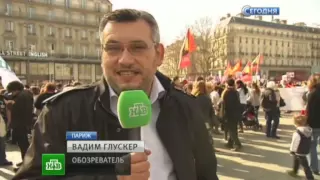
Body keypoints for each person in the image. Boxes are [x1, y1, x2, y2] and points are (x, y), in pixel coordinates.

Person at [13, 9, 218, 180]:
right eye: (113, 48)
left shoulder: (186, 107)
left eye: (137, 48)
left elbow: (206, 174)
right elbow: (41, 173)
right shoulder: (65, 112)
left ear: (159, 54)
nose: (125, 60)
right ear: (101, 56)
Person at [6, 81, 34, 172]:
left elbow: (17, 110)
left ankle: (26, 164)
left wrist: (9, 104)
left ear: (15, 89)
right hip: (23, 123)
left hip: (20, 123)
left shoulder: (21, 97)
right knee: (23, 143)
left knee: (23, 144)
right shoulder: (25, 95)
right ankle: (25, 162)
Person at [287, 115, 314, 180]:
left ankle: (310, 177)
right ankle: (294, 171)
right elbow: (311, 139)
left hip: (299, 151)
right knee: (296, 160)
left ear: (296, 124)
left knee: (305, 165)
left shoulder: (297, 133)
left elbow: (295, 143)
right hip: (305, 149)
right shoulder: (309, 130)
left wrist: (292, 150)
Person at [221, 78, 242, 151]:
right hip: (236, 113)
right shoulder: (235, 92)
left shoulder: (227, 92)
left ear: (227, 84)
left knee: (231, 130)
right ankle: (230, 143)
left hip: (230, 114)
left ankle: (237, 144)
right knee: (233, 129)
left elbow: (227, 105)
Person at [306, 75, 320, 175]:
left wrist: (306, 123)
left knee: (312, 146)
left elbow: (308, 111)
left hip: (314, 124)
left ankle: (314, 167)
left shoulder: (312, 94)